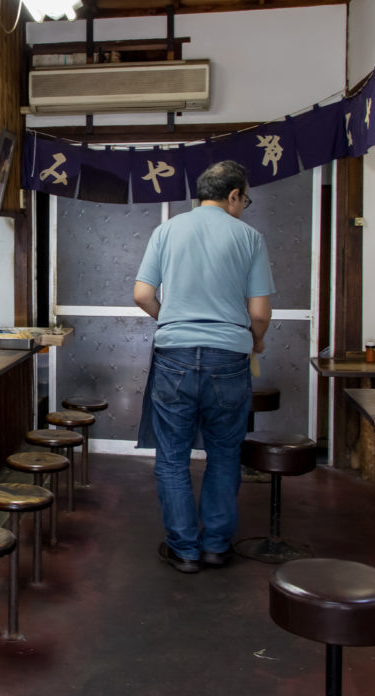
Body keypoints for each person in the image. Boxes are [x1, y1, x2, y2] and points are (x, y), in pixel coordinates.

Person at [133, 159, 274, 574]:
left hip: (174, 355)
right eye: (244, 199)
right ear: (233, 196)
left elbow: (142, 294)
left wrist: (172, 321)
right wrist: (256, 340)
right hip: (229, 359)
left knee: (173, 457)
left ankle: (184, 550)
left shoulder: (167, 230)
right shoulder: (249, 237)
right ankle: (215, 545)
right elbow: (260, 313)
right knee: (225, 453)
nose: (244, 207)